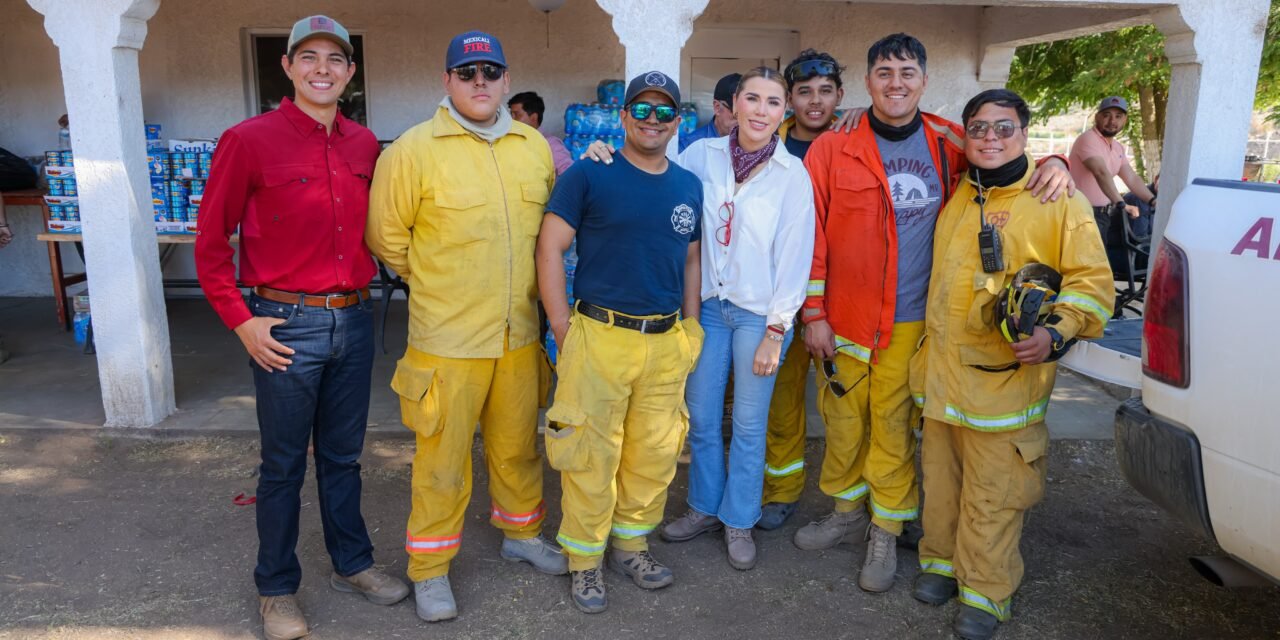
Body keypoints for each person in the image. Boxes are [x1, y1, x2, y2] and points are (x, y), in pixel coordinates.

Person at [795, 33, 1073, 594]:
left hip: (912, 322)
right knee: (844, 423)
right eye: (884, 72)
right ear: (868, 81)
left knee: (894, 426)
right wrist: (814, 312)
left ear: (923, 80)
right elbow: (811, 235)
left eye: (906, 72)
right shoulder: (832, 147)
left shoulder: (948, 140)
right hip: (844, 318)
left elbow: (1003, 163)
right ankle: (846, 511)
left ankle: (885, 525)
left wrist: (1058, 160)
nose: (895, 83)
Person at [194, 16, 409, 640]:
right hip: (283, 326)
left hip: (354, 317)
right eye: (308, 57)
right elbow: (210, 246)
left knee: (344, 458)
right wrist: (242, 323)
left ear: (349, 71)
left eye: (335, 59)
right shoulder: (248, 140)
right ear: (287, 68)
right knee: (283, 464)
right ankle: (277, 588)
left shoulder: (365, 145)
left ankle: (353, 565)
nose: (322, 69)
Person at [366, 30, 564, 623]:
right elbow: (387, 238)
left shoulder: (532, 147)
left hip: (518, 335)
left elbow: (552, 231)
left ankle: (521, 534)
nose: (480, 83)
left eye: (491, 72)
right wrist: (436, 283)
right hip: (447, 340)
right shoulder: (412, 149)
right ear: (447, 80)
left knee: (516, 448)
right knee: (441, 462)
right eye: (467, 72)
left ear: (507, 80)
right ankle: (429, 569)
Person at [912, 88, 1113, 640]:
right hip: (943, 378)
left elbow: (1093, 283)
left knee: (995, 490)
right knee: (944, 480)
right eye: (978, 128)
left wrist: (1056, 332)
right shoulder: (959, 191)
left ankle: (987, 592)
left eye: (1004, 128)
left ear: (1026, 134)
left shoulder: (1057, 198)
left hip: (1006, 383)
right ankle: (941, 564)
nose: (990, 139)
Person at [536, 70, 704, 614]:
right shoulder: (590, 175)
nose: (652, 120)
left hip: (664, 340)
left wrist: (692, 327)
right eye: (642, 109)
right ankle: (585, 560)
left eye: (664, 111)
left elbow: (693, 259)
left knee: (653, 454)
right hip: (599, 335)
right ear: (624, 115)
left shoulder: (687, 185)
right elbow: (550, 248)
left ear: (677, 121)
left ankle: (631, 544)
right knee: (589, 453)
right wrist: (563, 327)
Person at [653, 67, 815, 571]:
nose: (761, 111)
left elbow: (796, 257)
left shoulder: (792, 176)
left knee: (748, 424)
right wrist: (603, 156)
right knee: (700, 417)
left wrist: (776, 330)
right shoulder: (701, 156)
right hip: (706, 308)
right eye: (752, 99)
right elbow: (654, 183)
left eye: (773, 102)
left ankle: (739, 518)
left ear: (783, 112)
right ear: (734, 105)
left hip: (757, 316)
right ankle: (703, 507)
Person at [758, 49, 846, 531]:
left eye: (825, 91)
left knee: (844, 402)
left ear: (840, 95)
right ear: (790, 97)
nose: (815, 102)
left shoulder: (858, 141)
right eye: (805, 92)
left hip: (843, 296)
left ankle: (851, 499)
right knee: (781, 398)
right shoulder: (765, 144)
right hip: (782, 296)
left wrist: (1057, 161)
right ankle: (782, 490)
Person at [1067, 96, 1156, 243]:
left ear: (1125, 120)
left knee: (1101, 262)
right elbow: (1100, 172)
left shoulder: (1117, 147)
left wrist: (1153, 200)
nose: (1112, 121)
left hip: (1102, 215)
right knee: (1088, 264)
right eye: (1106, 115)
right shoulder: (1088, 139)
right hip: (1081, 214)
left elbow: (1132, 178)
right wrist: (1121, 204)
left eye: (1118, 116)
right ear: (1097, 117)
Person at [509, 91, 573, 175]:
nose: (512, 120)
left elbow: (570, 173)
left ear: (533, 118)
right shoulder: (511, 141)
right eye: (511, 114)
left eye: (517, 114)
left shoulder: (550, 144)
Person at [680, 73, 741, 152]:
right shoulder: (689, 145)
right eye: (736, 113)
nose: (741, 120)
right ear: (717, 108)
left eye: (747, 113)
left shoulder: (755, 144)